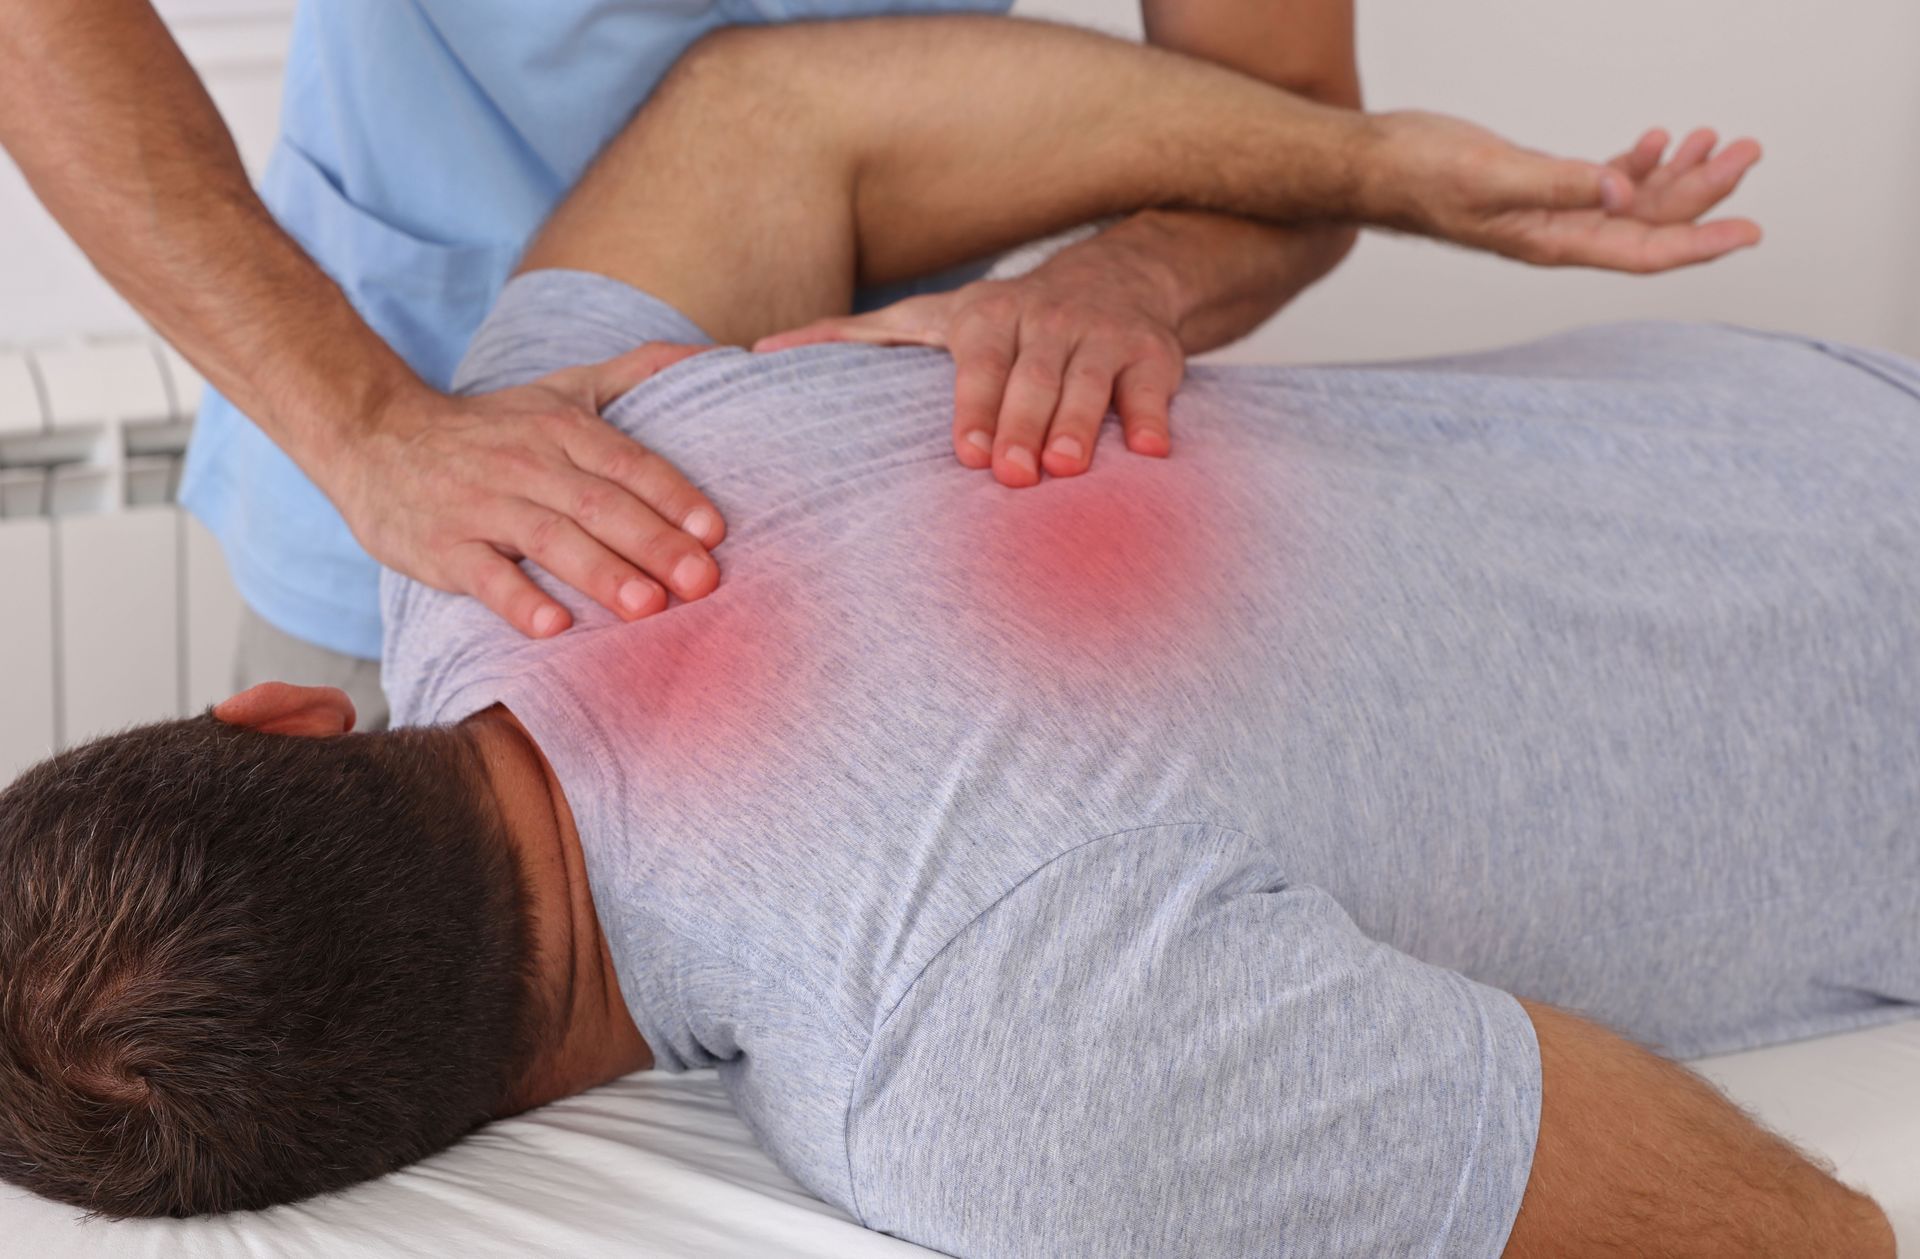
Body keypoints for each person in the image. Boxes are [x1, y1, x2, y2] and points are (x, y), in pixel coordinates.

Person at [4, 15, 1909, 1257]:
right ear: (277, 719)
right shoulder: (582, 442)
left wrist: (1137, 266)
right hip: (1799, 408)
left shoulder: (1002, 1093)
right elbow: (764, 112)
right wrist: (1395, 169)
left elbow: (1805, 1244)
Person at [0, 0, 1369, 728]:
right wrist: (365, 427)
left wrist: (1126, 277)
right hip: (400, 500)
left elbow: (1294, 125)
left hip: (876, 522)